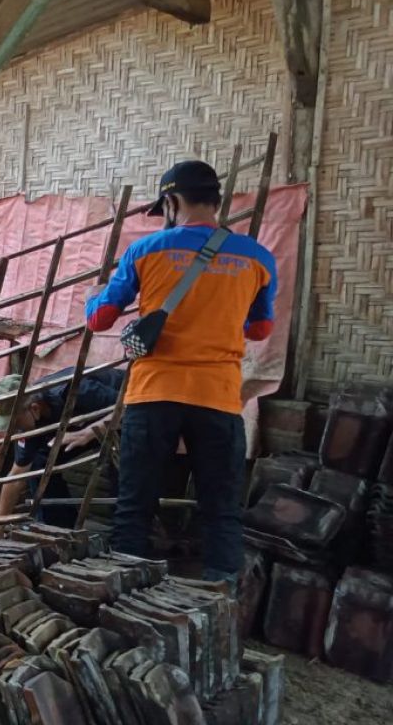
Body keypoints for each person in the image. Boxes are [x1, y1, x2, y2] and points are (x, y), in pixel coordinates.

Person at [85, 160, 277, 584]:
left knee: (134, 506)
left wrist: (92, 295)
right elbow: (261, 329)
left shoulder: (145, 250)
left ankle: (128, 598)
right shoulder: (257, 257)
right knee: (222, 509)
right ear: (215, 200)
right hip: (219, 397)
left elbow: (99, 320)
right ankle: (220, 596)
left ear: (171, 201)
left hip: (154, 394)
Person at [0, 367, 126, 534]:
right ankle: (60, 531)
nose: (13, 429)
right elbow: (16, 477)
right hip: (79, 429)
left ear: (35, 408)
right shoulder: (29, 424)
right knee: (39, 467)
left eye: (15, 423)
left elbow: (130, 407)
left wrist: (86, 433)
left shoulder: (77, 390)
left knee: (123, 475)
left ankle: (127, 539)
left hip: (126, 419)